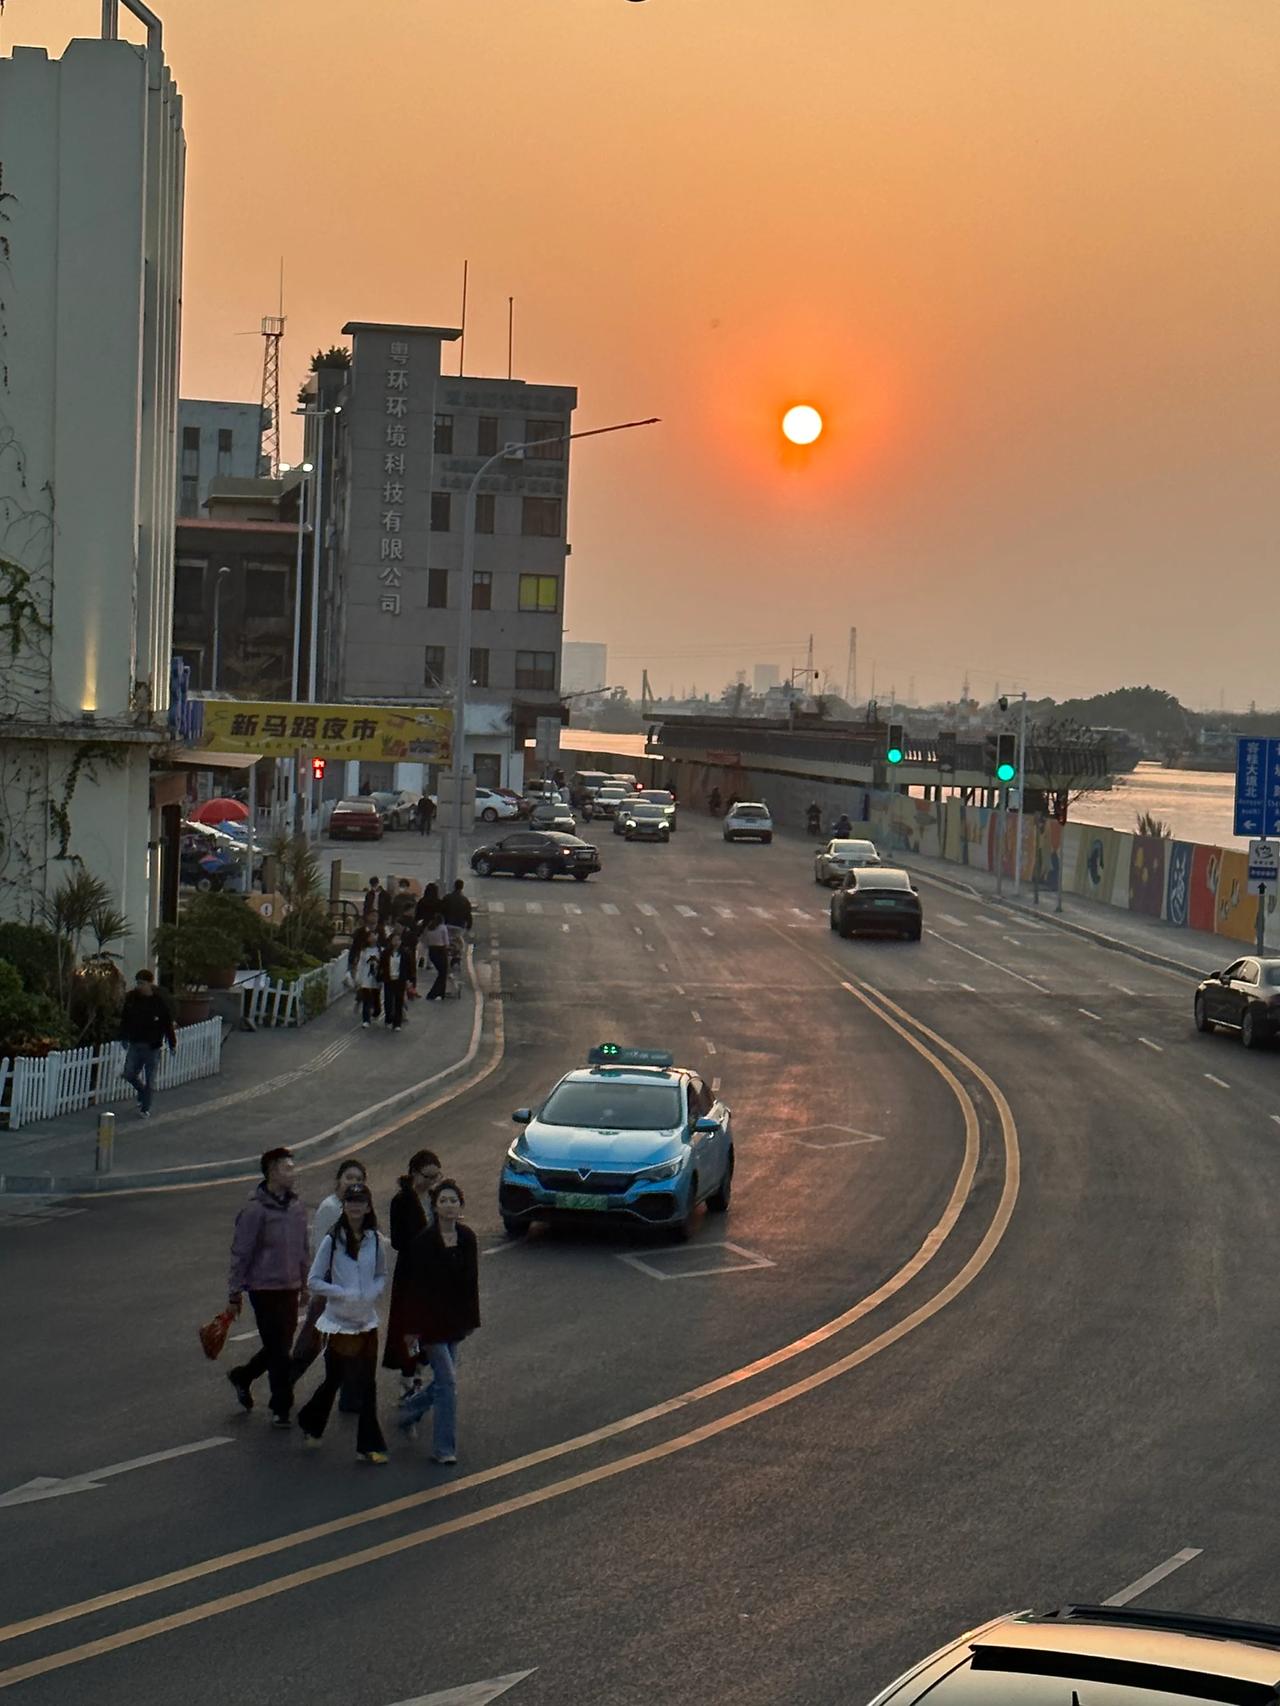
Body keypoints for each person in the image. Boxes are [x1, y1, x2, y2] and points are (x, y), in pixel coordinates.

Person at [297, 1183, 388, 1463]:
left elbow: (381, 1274)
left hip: (365, 1323)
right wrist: (342, 1293)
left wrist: (371, 1293)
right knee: (335, 1378)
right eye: (350, 1201)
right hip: (338, 1324)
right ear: (344, 1206)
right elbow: (314, 1281)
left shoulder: (374, 1239)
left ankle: (368, 1446)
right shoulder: (332, 1240)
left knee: (367, 1384)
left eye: (360, 1201)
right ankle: (311, 1419)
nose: (355, 1206)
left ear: (368, 1206)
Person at [226, 1147, 309, 1426]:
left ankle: (243, 1375)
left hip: (290, 1286)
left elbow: (302, 1248)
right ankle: (281, 1407)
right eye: (288, 1168)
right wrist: (234, 1292)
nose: (293, 1173)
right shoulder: (255, 1210)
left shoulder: (296, 1207)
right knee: (279, 1349)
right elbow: (241, 1252)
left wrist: (305, 1281)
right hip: (263, 1289)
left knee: (279, 1345)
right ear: (272, 1171)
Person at [399, 1180, 480, 1464]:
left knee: (444, 1383)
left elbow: (471, 1284)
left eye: (453, 1200)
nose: (449, 1205)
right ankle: (444, 1449)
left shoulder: (467, 1238)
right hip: (430, 1325)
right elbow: (415, 1288)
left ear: (460, 1206)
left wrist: (471, 1320)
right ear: (435, 1206)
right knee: (448, 1382)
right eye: (443, 1201)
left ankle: (409, 1409)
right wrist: (410, 1329)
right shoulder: (424, 1242)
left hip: (456, 1322)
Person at [289, 1156, 368, 1384]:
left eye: (359, 1179)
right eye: (349, 1177)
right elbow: (322, 1249)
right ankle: (281, 1390)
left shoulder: (357, 1208)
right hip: (329, 1289)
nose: (353, 1182)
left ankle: (350, 1397)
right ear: (338, 1180)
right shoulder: (331, 1208)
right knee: (310, 1345)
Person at [381, 1149, 443, 1392]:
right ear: (414, 1173)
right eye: (427, 1176)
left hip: (434, 1274)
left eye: (436, 1177)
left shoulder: (436, 1197)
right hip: (411, 1274)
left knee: (432, 1325)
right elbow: (398, 1241)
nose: (431, 1182)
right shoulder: (402, 1201)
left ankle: (418, 1367)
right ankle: (409, 1372)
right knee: (410, 1326)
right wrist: (423, 1240)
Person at [118, 968, 177, 1120]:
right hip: (135, 1044)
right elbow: (125, 1019)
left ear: (150, 984)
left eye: (142, 983)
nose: (139, 986)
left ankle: (145, 1107)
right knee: (129, 1073)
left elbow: (167, 1024)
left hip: (152, 1047)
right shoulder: (132, 998)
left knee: (150, 1079)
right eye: (137, 983)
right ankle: (142, 1092)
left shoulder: (158, 1002)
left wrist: (172, 1043)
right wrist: (124, 1036)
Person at [380, 930, 413, 1032]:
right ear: (391, 941)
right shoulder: (386, 953)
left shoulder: (405, 953)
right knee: (388, 1001)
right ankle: (388, 1018)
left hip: (400, 980)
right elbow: (382, 966)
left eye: (399, 940)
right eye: (395, 940)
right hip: (389, 980)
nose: (397, 942)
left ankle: (397, 1023)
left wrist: (410, 980)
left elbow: (409, 968)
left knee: (399, 1001)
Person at [420, 912, 451, 1000]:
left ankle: (441, 992)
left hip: (432, 951)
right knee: (443, 973)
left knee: (441, 973)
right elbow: (446, 942)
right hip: (441, 951)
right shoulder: (443, 928)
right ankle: (433, 993)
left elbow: (424, 941)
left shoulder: (429, 928)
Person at [355, 938, 382, 1027]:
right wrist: (358, 978)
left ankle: (376, 1012)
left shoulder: (380, 950)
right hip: (366, 977)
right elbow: (361, 964)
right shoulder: (364, 951)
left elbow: (383, 964)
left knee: (375, 997)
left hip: (376, 978)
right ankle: (366, 1019)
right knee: (366, 999)